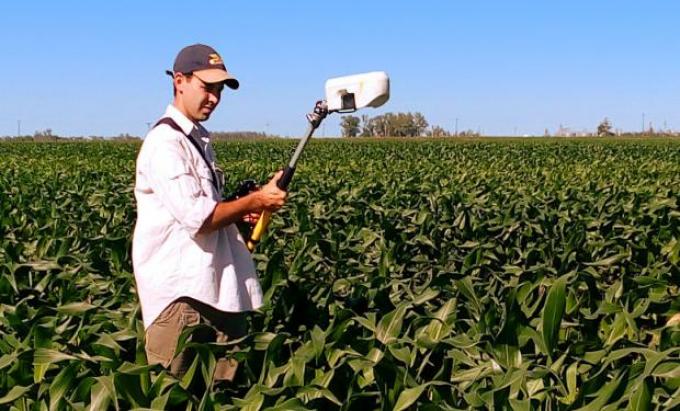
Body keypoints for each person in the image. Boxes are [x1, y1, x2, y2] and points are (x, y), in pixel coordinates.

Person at [132, 43, 287, 382]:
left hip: (217, 292)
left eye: (219, 90)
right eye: (207, 87)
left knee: (225, 396)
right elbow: (200, 219)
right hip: (183, 302)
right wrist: (257, 201)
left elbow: (211, 212)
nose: (214, 98)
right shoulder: (165, 144)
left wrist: (241, 210)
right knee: (177, 397)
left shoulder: (196, 139)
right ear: (179, 81)